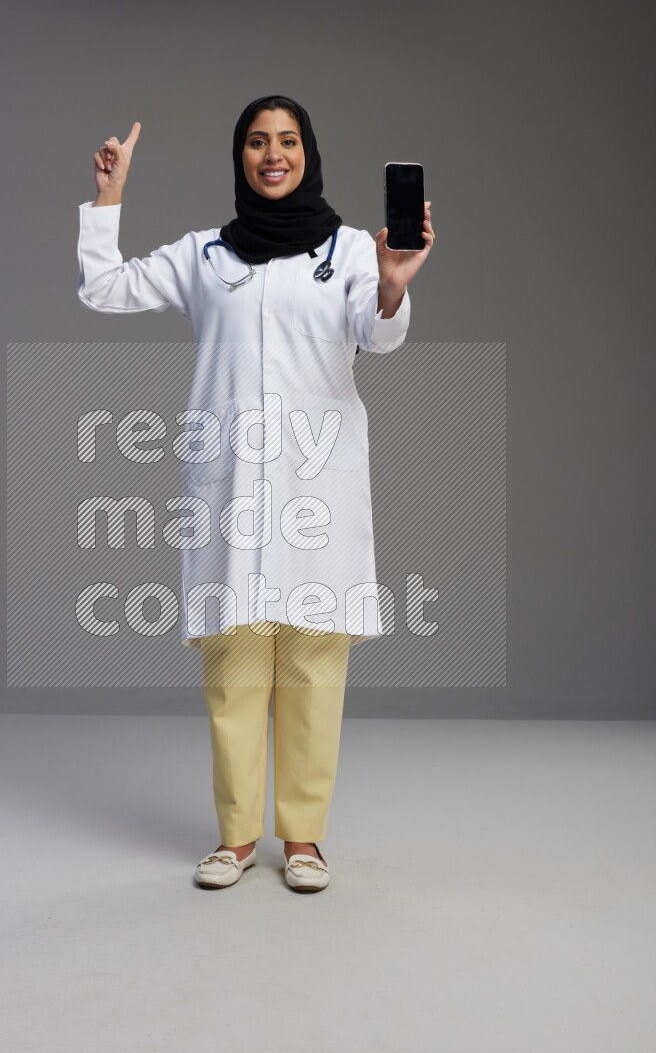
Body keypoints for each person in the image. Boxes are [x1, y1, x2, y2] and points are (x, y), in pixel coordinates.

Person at [77, 95, 434, 891]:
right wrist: (109, 200)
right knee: (235, 665)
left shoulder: (347, 251)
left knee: (312, 663)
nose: (273, 155)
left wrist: (393, 284)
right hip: (229, 483)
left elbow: (379, 337)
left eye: (288, 141)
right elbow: (104, 290)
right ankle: (236, 838)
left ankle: (303, 839)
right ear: (239, 157)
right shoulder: (204, 255)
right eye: (257, 143)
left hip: (318, 483)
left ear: (309, 152)